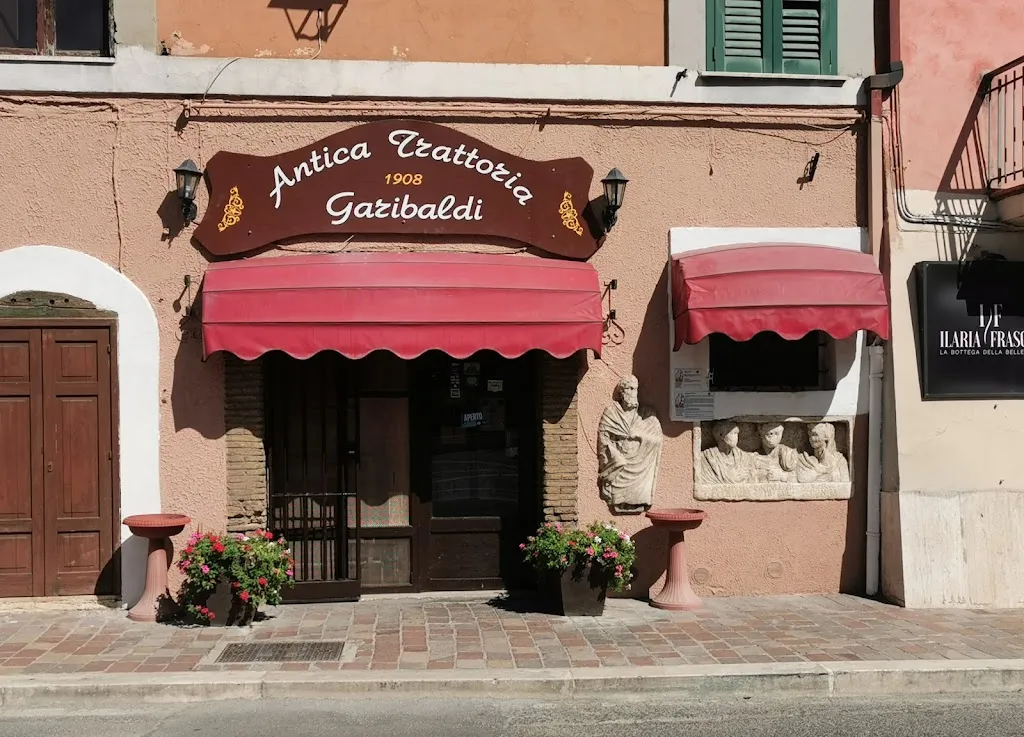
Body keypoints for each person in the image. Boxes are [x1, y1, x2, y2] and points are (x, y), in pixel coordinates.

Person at [597, 375, 664, 513]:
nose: (633, 393)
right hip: (620, 464)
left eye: (635, 389)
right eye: (630, 388)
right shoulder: (611, 413)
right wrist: (614, 457)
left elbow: (657, 439)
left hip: (641, 467)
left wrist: (639, 436)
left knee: (638, 494)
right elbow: (603, 438)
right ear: (622, 392)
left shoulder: (647, 415)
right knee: (617, 489)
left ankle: (638, 500)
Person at [697, 420, 753, 484]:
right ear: (721, 435)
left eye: (737, 434)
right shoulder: (707, 458)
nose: (736, 437)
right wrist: (729, 476)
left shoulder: (743, 457)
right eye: (732, 433)